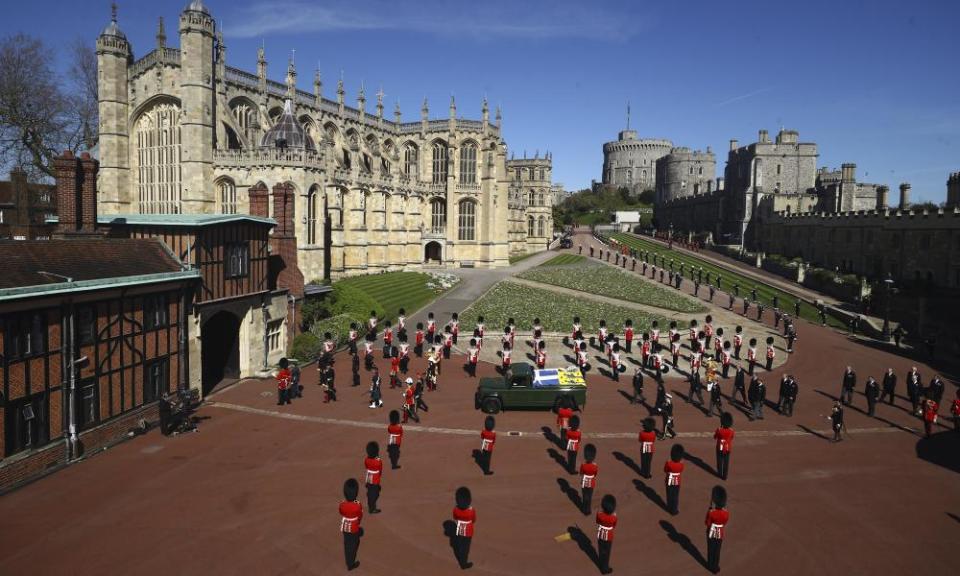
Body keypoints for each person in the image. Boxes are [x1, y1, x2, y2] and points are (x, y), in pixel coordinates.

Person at [339, 479, 364, 571]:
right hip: (354, 527)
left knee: (347, 544)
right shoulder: (358, 505)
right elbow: (360, 515)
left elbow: (341, 512)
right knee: (353, 545)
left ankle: (348, 561)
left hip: (345, 526)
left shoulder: (342, 504)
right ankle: (350, 563)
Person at [705, 485, 730, 574]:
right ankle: (715, 566)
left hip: (711, 531)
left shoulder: (712, 512)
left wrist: (710, 509)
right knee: (717, 550)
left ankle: (710, 564)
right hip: (720, 532)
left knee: (710, 548)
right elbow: (725, 522)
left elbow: (707, 523)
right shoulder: (726, 513)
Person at [452, 487, 476, 569]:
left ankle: (461, 559)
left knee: (461, 545)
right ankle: (463, 563)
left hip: (460, 529)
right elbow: (473, 519)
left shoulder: (455, 509)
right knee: (466, 548)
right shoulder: (471, 510)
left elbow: (455, 517)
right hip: (468, 531)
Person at [596, 494, 618, 575]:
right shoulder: (614, 517)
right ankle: (605, 568)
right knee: (607, 552)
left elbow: (597, 521)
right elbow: (614, 526)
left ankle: (602, 564)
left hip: (600, 534)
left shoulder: (599, 514)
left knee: (601, 550)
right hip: (609, 536)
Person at [664, 443, 685, 515]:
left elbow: (665, 470)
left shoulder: (669, 463)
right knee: (675, 495)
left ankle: (669, 507)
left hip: (669, 480)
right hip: (677, 481)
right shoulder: (681, 464)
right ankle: (674, 509)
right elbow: (681, 470)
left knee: (669, 494)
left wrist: (668, 462)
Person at [363, 441, 383, 513]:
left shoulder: (366, 460)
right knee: (375, 494)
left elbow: (366, 466)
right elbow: (380, 470)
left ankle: (371, 506)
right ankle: (372, 508)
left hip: (368, 478)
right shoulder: (378, 461)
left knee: (371, 492)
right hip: (375, 479)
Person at [580, 443, 599, 515]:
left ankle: (584, 509)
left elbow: (581, 473)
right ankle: (588, 509)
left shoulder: (583, 465)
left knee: (584, 496)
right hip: (591, 482)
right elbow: (595, 474)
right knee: (589, 496)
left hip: (584, 481)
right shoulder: (595, 466)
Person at [714, 413, 734, 480]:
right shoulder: (731, 431)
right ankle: (724, 476)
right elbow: (732, 437)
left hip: (720, 446)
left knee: (719, 461)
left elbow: (715, 437)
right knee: (726, 462)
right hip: (728, 447)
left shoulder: (719, 430)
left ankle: (719, 474)